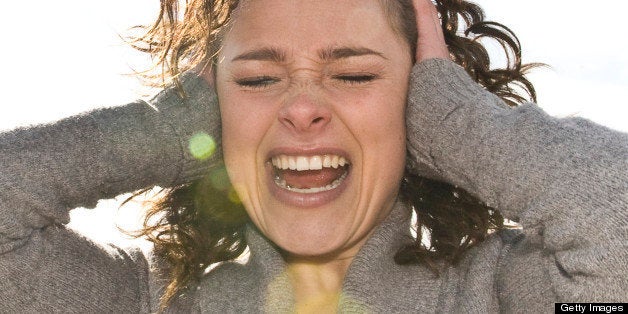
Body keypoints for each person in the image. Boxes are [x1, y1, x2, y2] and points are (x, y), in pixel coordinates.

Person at [0, 0, 626, 312]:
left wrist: (457, 123)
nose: (302, 108)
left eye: (353, 75)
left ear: (418, 105)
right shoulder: (139, 301)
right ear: (212, 114)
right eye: (256, 80)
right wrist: (164, 129)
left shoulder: (503, 296)